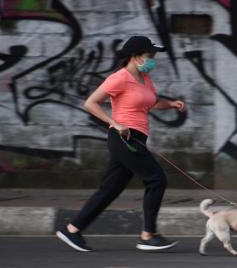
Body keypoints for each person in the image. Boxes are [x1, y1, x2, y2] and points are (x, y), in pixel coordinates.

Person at [56, 36, 185, 252]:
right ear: (135, 57)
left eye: (153, 56)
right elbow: (90, 103)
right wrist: (115, 123)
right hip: (124, 138)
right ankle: (148, 235)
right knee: (156, 179)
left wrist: (170, 104)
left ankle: (72, 230)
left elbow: (151, 103)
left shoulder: (144, 79)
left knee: (110, 189)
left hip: (137, 138)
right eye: (149, 55)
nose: (153, 60)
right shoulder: (119, 78)